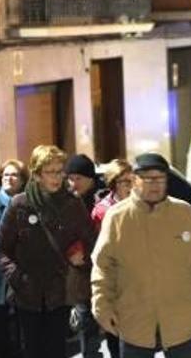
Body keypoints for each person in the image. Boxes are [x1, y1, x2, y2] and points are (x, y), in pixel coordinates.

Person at [91, 152, 191, 358]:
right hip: (134, 321)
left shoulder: (183, 212)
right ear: (134, 180)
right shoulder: (117, 217)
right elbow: (102, 266)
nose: (155, 184)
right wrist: (102, 306)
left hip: (181, 319)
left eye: (160, 178)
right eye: (148, 178)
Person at [0, 145, 96, 358]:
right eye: (51, 172)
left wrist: (82, 257)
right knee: (32, 350)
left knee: (57, 350)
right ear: (37, 174)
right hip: (27, 293)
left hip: (59, 292)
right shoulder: (19, 204)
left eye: (60, 171)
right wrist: (17, 277)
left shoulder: (72, 204)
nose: (57, 177)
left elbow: (92, 241)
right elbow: (1, 248)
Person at [0, 160, 29, 358]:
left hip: (23, 270)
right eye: (5, 175)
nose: (8, 178)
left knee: (23, 322)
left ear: (23, 180)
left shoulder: (29, 203)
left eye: (14, 175)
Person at [89, 159, 134, 358]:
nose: (131, 186)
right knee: (116, 334)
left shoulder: (141, 205)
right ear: (113, 184)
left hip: (137, 279)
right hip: (114, 280)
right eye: (125, 182)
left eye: (132, 180)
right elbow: (99, 250)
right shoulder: (102, 210)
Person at [65, 153, 107, 358]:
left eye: (78, 178)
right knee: (85, 321)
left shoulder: (103, 200)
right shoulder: (66, 200)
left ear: (90, 178)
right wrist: (71, 251)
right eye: (70, 178)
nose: (73, 183)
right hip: (80, 273)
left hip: (104, 269)